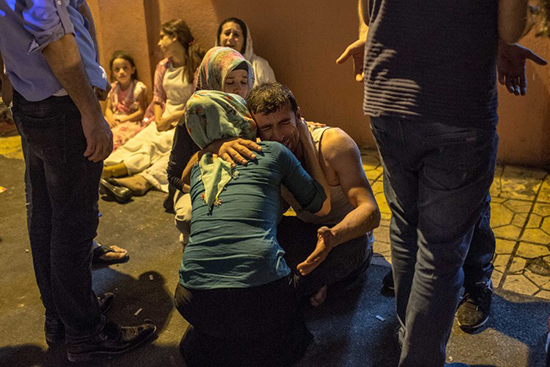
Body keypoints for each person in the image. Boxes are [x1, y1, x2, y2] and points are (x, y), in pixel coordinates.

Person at [336, 1, 538, 366]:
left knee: (404, 224)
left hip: (387, 98)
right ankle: (419, 354)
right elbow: (510, 28)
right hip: (456, 106)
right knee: (440, 253)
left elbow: (367, 12)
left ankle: (410, 336)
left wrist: (368, 33)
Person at [0, 0, 155, 362]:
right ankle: (86, 332)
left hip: (32, 98)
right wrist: (89, 111)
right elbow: (54, 36)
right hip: (62, 105)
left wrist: (9, 91)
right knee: (73, 222)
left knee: (46, 216)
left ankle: (63, 317)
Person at [174, 90, 330, 367]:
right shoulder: (272, 152)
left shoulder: (198, 165)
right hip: (264, 296)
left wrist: (209, 148)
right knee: (309, 237)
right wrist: (305, 140)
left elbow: (183, 181)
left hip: (191, 299)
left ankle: (219, 340)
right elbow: (321, 206)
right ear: (244, 118)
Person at [210, 82, 380, 307]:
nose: (278, 135)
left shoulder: (333, 145)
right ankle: (312, 280)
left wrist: (333, 238)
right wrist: (216, 147)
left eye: (284, 122)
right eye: (267, 127)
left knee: (356, 246)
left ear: (298, 116)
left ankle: (305, 283)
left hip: (345, 238)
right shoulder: (263, 150)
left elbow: (371, 212)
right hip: (309, 235)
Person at [101, 19, 205, 200]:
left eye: (162, 37)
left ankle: (120, 172)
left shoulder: (196, 65)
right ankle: (107, 169)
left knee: (157, 145)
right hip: (163, 118)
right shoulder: (163, 66)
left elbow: (199, 100)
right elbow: (158, 98)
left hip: (186, 119)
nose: (159, 43)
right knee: (139, 140)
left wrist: (171, 118)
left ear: (174, 37)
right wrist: (159, 119)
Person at [167, 46, 256, 243]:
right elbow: (174, 176)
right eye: (230, 82)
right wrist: (210, 152)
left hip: (240, 181)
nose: (239, 89)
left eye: (244, 82)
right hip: (196, 185)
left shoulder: (252, 112)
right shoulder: (194, 116)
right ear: (213, 80)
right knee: (190, 215)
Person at [104, 50, 148, 150]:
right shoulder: (113, 88)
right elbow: (108, 108)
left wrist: (123, 120)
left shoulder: (138, 88)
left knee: (118, 138)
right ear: (113, 72)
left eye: (125, 68)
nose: (121, 72)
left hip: (130, 120)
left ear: (132, 69)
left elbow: (141, 111)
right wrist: (111, 119)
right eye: (117, 69)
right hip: (115, 119)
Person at [216, 17, 276, 86]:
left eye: (236, 34)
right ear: (219, 39)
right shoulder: (210, 67)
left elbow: (273, 95)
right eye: (227, 33)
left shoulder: (259, 67)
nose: (230, 38)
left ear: (245, 42)